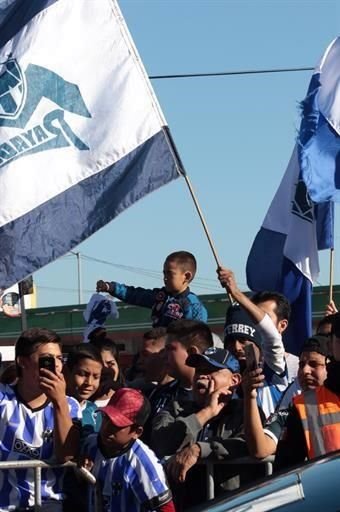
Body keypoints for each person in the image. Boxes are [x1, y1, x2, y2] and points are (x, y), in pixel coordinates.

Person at [0, 328, 81, 511]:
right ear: (22, 361)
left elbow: (66, 455)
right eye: (47, 359)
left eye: (59, 359)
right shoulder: (2, 398)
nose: (55, 365)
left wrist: (59, 401)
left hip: (48, 505)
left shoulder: (70, 405)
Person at [80, 388, 175, 512]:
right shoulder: (90, 445)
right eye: (106, 418)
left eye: (117, 424)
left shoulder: (143, 462)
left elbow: (166, 508)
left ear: (137, 432)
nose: (107, 427)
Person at [242, 335, 329, 460]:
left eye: (314, 364)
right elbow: (260, 449)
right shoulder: (288, 414)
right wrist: (249, 395)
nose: (305, 371)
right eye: (301, 364)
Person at [218, 267, 289, 418]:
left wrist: (236, 293)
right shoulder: (223, 383)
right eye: (231, 341)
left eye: (243, 341)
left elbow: (272, 336)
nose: (237, 348)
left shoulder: (271, 370)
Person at [274, 319, 340, 470]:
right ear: (331, 345)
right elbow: (285, 474)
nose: (305, 371)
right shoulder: (304, 407)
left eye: (314, 364)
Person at [96, 250, 208, 327]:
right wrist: (111, 287)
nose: (165, 278)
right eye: (164, 273)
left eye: (170, 274)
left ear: (187, 276)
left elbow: (196, 336)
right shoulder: (161, 297)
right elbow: (135, 295)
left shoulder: (193, 305)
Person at [148, 319, 213, 441]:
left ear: (192, 352)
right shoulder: (159, 394)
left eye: (170, 349)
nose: (163, 355)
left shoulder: (218, 397)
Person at [65, 344, 103, 434]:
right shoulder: (52, 408)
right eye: (82, 374)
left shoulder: (95, 412)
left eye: (96, 377)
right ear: (67, 371)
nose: (89, 382)